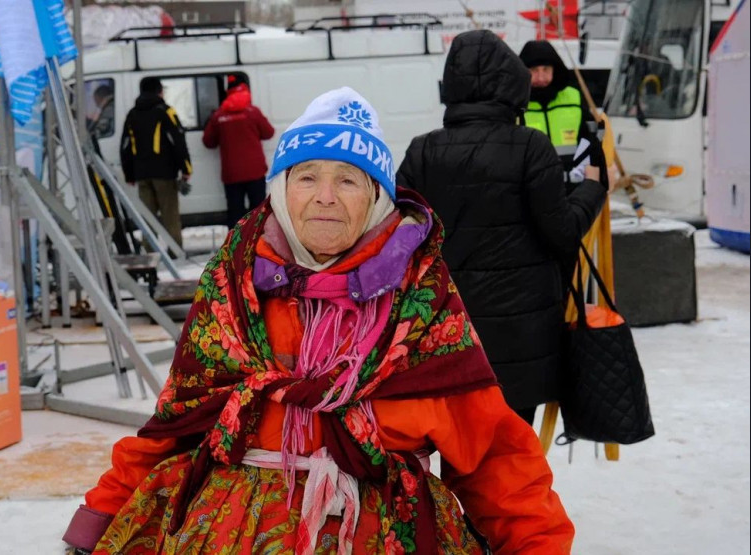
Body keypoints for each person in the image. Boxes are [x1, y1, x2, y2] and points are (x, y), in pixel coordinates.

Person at [63, 87, 574, 554]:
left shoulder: (420, 303)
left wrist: (537, 546)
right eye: (307, 176)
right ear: (281, 190)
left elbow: (492, 452)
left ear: (376, 197)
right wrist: (99, 520)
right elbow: (176, 424)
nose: (325, 196)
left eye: (347, 180)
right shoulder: (233, 289)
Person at [396, 30, 607, 426]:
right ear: (512, 83)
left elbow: (402, 237)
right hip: (524, 333)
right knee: (514, 445)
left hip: (449, 330)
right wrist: (592, 190)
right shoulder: (530, 147)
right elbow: (562, 233)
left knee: (459, 444)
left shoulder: (422, 150)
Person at [120, 76, 192, 251]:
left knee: (148, 217)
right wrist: (186, 168)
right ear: (159, 91)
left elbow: (125, 146)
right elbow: (178, 140)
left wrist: (129, 174)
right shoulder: (165, 111)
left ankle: (150, 252)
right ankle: (175, 253)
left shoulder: (132, 114)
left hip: (142, 174)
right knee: (170, 216)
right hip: (164, 174)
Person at [518, 39, 595, 189]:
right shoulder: (515, 104)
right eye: (534, 70)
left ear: (555, 70)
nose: (541, 77)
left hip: (574, 187)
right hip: (532, 189)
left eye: (546, 69)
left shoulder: (574, 98)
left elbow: (591, 138)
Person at [202, 74, 275, 229]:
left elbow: (208, 142)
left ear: (228, 92)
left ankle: (236, 243)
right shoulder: (253, 112)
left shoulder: (219, 116)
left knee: (235, 213)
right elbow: (269, 132)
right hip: (255, 171)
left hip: (232, 173)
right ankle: (258, 240)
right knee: (259, 211)